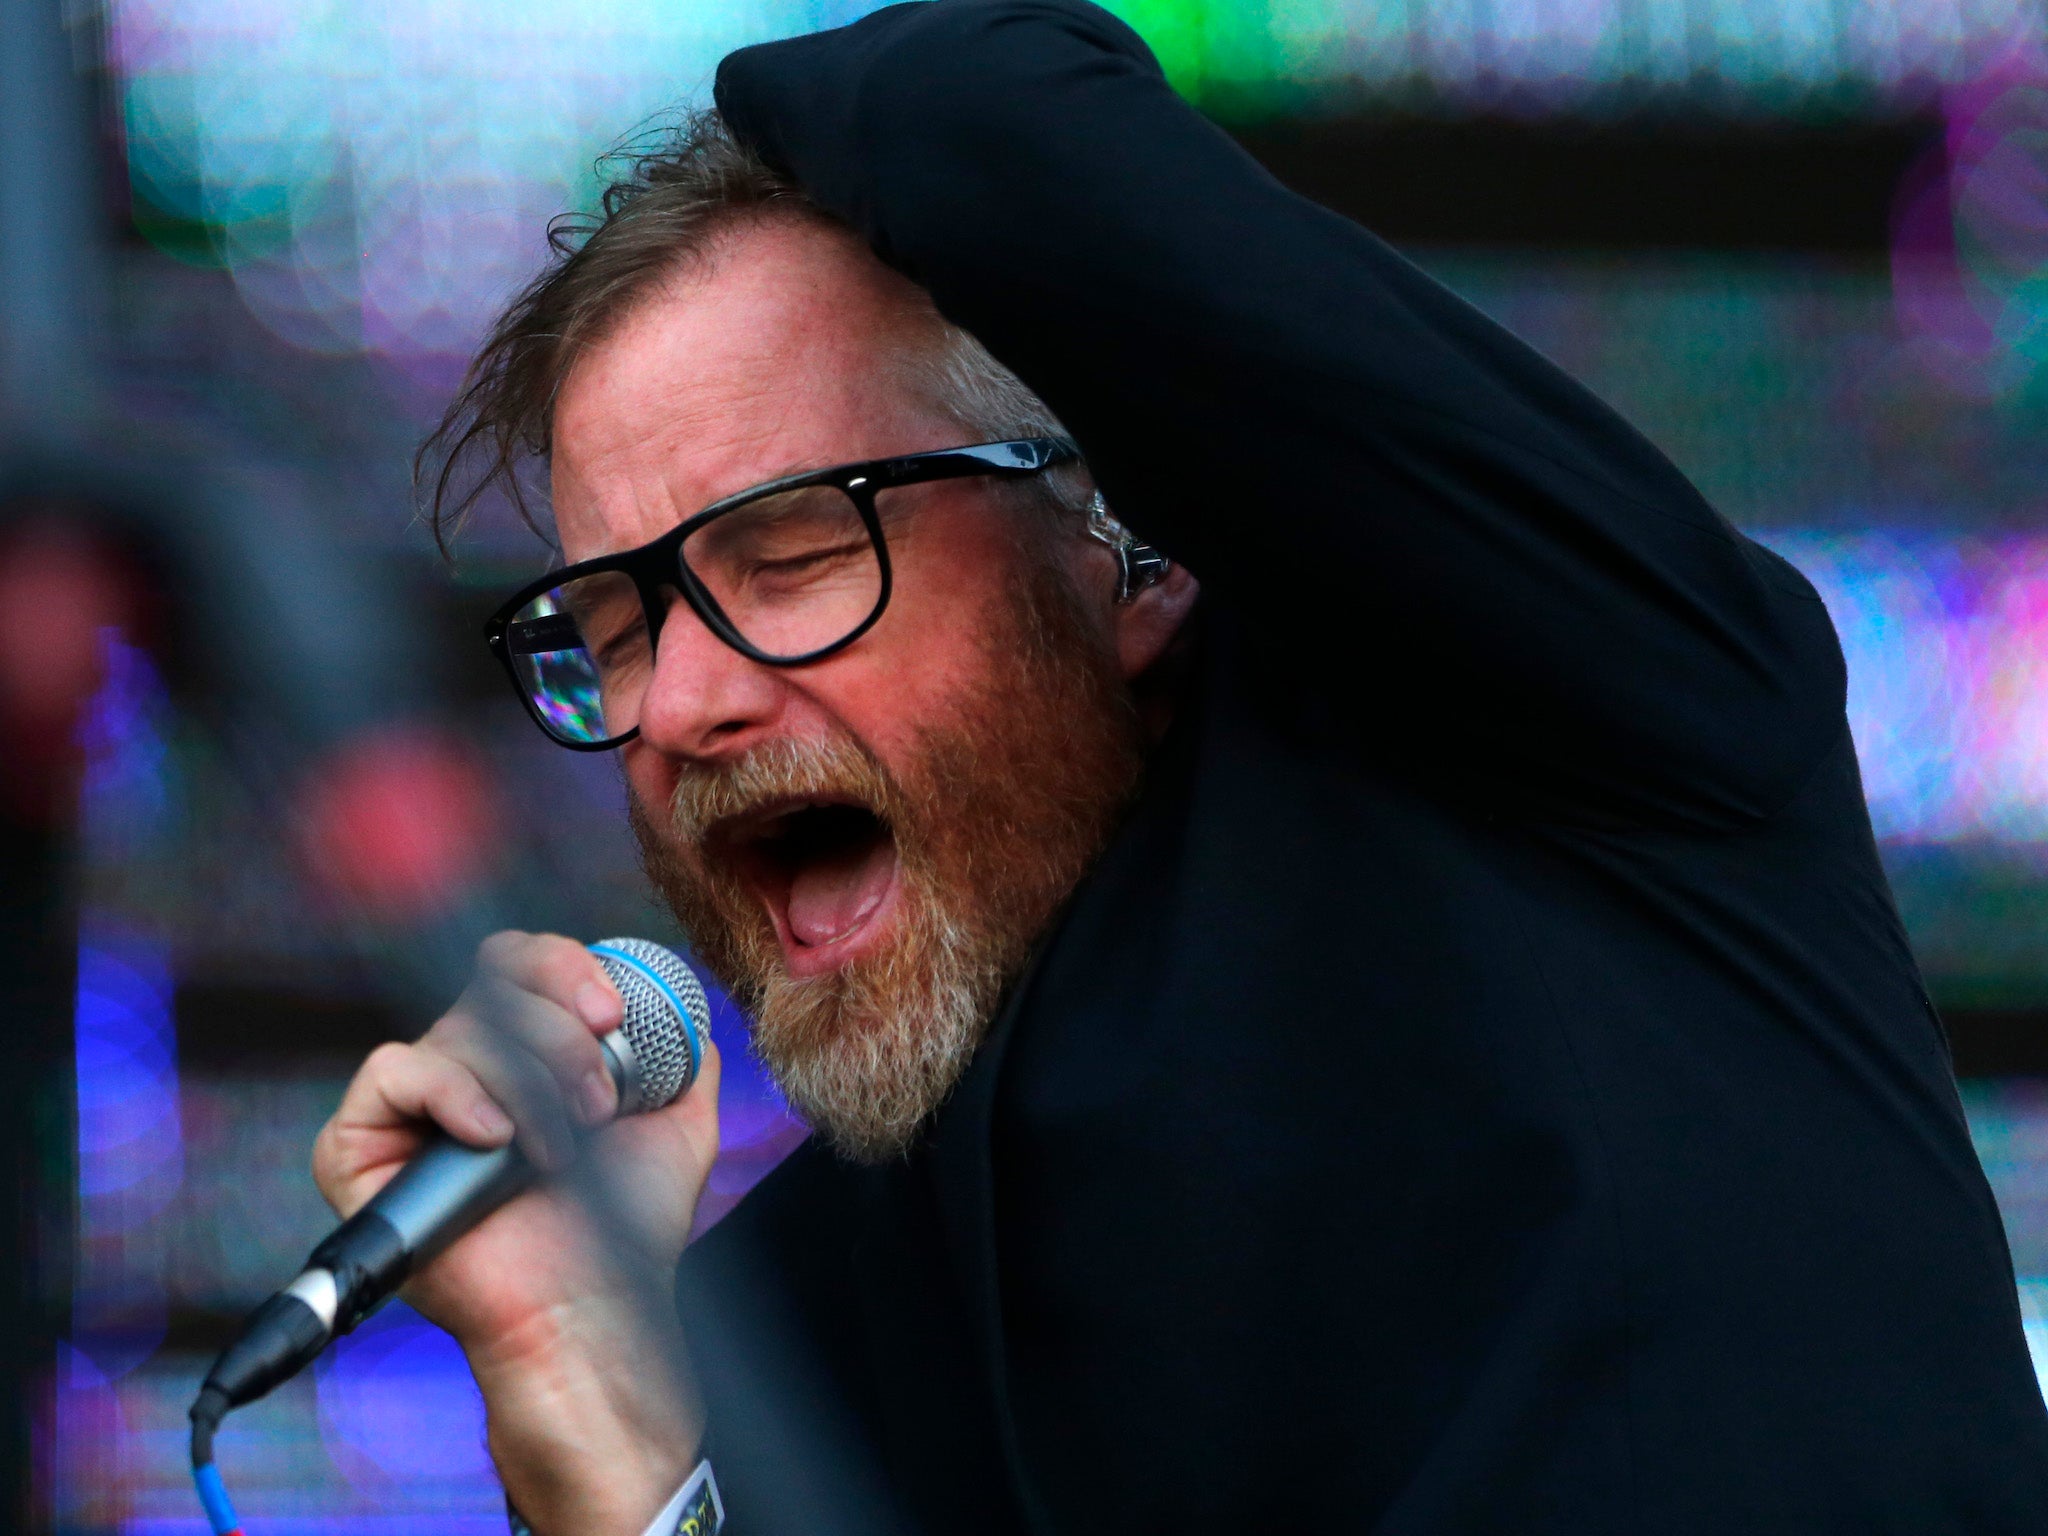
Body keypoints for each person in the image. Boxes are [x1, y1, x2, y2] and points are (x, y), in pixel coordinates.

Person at [311, 1, 2048, 1530]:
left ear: (1122, 545)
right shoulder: (802, 1331)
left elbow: (981, 113)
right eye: (610, 628)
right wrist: (591, 1389)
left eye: (786, 556)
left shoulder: (1573, 736)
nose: (681, 701)